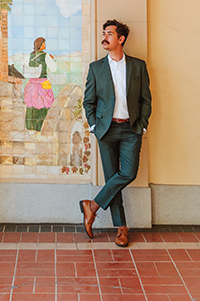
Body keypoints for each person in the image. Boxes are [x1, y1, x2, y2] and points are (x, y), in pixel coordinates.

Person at [79, 19, 151, 246]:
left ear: (121, 39)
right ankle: (121, 229)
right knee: (113, 179)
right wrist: (94, 126)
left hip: (131, 129)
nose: (105, 36)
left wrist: (142, 124)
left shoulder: (138, 66)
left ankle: (92, 206)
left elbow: (146, 99)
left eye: (109, 33)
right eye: (104, 33)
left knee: (128, 173)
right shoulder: (96, 68)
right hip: (106, 130)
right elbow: (88, 101)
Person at [23, 36, 57, 131]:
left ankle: (30, 126)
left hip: (31, 84)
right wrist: (52, 59)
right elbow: (54, 69)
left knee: (32, 105)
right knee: (44, 103)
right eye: (44, 43)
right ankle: (41, 127)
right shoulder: (46, 56)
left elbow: (24, 68)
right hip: (43, 83)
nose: (45, 45)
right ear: (41, 45)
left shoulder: (29, 56)